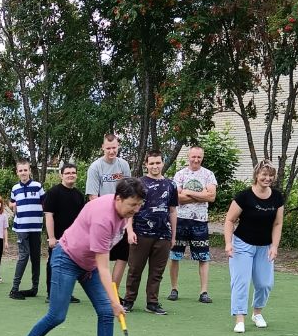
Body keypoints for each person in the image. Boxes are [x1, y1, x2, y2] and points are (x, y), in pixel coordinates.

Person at [10, 179, 145, 336]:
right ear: (118, 199)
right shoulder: (103, 219)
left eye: (139, 205)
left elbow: (99, 261)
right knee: (57, 315)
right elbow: (103, 267)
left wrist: (112, 303)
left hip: (88, 264)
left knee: (105, 311)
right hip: (66, 258)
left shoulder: (122, 209)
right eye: (132, 205)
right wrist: (115, 301)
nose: (136, 209)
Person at [224, 160, 284, 334]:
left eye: (270, 175)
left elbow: (278, 223)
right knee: (241, 282)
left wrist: (274, 246)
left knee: (265, 284)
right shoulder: (244, 196)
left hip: (265, 246)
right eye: (264, 174)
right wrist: (228, 243)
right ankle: (239, 318)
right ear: (257, 175)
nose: (267, 178)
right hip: (242, 244)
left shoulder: (277, 197)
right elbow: (229, 220)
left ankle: (257, 313)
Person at [122, 150, 178, 315]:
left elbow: (172, 211)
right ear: (146, 164)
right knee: (135, 269)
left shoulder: (171, 185)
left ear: (163, 163)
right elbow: (130, 208)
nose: (155, 166)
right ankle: (129, 300)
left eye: (158, 162)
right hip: (140, 233)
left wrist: (173, 236)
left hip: (163, 235)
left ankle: (152, 302)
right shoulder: (138, 184)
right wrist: (130, 231)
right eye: (151, 163)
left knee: (157, 272)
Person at [169, 145, 218, 304]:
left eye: (199, 157)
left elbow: (211, 197)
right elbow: (177, 198)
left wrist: (188, 192)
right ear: (188, 157)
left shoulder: (208, 175)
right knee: (175, 256)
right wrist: (201, 194)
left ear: (202, 158)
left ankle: (204, 291)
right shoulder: (180, 174)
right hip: (180, 220)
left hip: (200, 221)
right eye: (193, 157)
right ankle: (174, 289)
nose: (196, 160)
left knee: (203, 257)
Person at [85, 134, 134, 285]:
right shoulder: (95, 167)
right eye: (108, 148)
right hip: (103, 219)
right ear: (103, 148)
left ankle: (114, 291)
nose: (111, 151)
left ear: (118, 147)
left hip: (122, 217)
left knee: (123, 255)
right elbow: (93, 197)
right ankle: (101, 291)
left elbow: (129, 193)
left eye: (114, 148)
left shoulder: (123, 165)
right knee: (101, 256)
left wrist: (128, 221)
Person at [41, 162, 85, 304]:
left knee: (71, 266)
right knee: (54, 264)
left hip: (74, 239)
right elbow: (49, 216)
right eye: (67, 173)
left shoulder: (79, 195)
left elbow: (81, 219)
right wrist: (51, 237)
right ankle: (51, 294)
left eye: (73, 173)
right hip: (57, 238)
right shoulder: (53, 193)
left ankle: (67, 293)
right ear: (61, 175)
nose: (70, 175)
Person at [7, 160, 44, 300]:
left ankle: (34, 288)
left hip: (36, 227)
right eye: (20, 170)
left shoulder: (38, 186)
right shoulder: (15, 188)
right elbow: (11, 202)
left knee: (36, 257)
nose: (23, 173)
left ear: (29, 171)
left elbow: (45, 202)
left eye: (25, 170)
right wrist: (12, 205)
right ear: (17, 172)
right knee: (24, 256)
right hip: (22, 227)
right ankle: (14, 289)